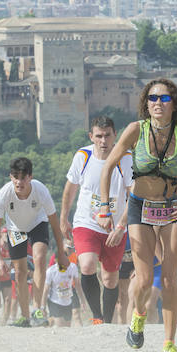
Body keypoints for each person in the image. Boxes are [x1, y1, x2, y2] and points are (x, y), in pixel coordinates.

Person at [98, 78, 177, 352]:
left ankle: (169, 344)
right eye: (153, 98)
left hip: (172, 208)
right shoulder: (136, 130)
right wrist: (105, 208)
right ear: (146, 103)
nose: (158, 103)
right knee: (145, 279)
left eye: (164, 98)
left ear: (174, 103)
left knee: (171, 279)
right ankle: (138, 316)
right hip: (140, 208)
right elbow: (108, 167)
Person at [60, 115, 132, 324]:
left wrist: (121, 226)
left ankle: (107, 321)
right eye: (98, 136)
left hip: (114, 227)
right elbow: (70, 189)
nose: (103, 141)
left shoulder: (125, 158)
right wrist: (64, 218)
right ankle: (97, 317)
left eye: (107, 135)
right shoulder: (83, 156)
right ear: (91, 136)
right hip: (86, 222)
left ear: (115, 135)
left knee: (110, 279)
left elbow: (134, 195)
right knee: (87, 265)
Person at [0, 157, 68, 327]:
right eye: (15, 177)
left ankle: (37, 309)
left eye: (23, 177)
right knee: (20, 272)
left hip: (37, 224)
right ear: (11, 177)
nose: (19, 182)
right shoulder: (4, 194)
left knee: (39, 259)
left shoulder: (41, 191)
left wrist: (61, 252)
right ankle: (25, 317)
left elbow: (54, 224)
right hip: (16, 228)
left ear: (30, 177)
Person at [43, 253, 80, 327]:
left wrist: (82, 300)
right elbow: (46, 289)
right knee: (60, 326)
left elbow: (78, 285)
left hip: (67, 301)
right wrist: (43, 306)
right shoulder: (51, 271)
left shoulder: (72, 267)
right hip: (54, 301)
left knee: (67, 326)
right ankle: (50, 322)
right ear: (56, 260)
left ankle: (50, 321)